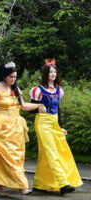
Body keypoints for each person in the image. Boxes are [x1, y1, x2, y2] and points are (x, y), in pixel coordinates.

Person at [0, 62, 45, 196]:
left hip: (16, 129)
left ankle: (17, 184)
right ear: (4, 76)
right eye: (11, 77)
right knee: (4, 158)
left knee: (17, 158)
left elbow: (24, 105)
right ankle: (15, 186)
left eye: (15, 77)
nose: (13, 79)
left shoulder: (16, 89)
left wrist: (38, 106)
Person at [29, 59, 83, 195]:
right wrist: (37, 109)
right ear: (45, 74)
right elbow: (29, 107)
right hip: (42, 122)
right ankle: (63, 183)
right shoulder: (38, 90)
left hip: (54, 123)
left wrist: (60, 126)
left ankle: (40, 184)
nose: (53, 74)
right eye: (50, 72)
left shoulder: (59, 90)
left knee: (57, 152)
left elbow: (58, 110)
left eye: (54, 72)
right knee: (52, 152)